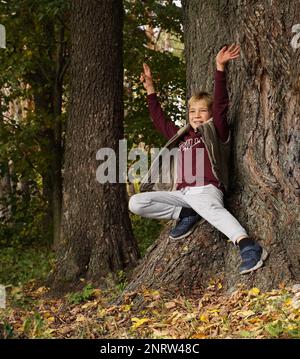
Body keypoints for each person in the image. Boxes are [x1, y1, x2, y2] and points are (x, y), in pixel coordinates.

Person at [129, 44, 268, 274]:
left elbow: (221, 104)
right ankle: (188, 215)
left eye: (202, 111)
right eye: (192, 112)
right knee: (137, 202)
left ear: (210, 115)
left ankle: (248, 246)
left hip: (206, 189)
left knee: (211, 209)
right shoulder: (183, 137)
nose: (196, 116)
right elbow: (159, 120)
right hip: (183, 195)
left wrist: (220, 67)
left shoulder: (216, 131)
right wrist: (151, 89)